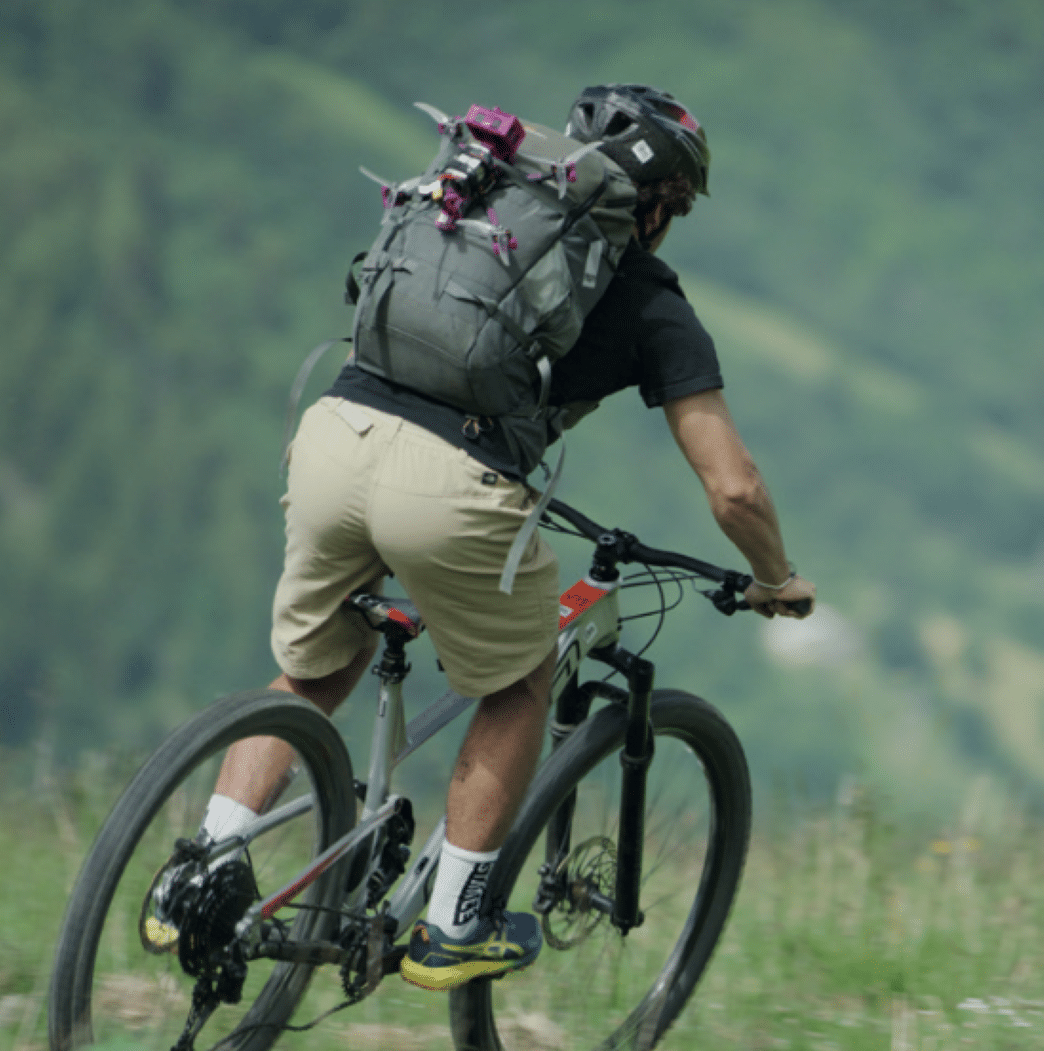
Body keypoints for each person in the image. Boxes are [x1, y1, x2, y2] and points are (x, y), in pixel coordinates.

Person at [145, 84, 816, 991]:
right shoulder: (654, 299)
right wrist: (775, 577)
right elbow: (733, 487)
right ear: (658, 207)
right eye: (679, 208)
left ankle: (201, 864)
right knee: (520, 681)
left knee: (315, 666)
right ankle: (456, 923)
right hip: (451, 484)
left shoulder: (478, 212)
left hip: (332, 433)